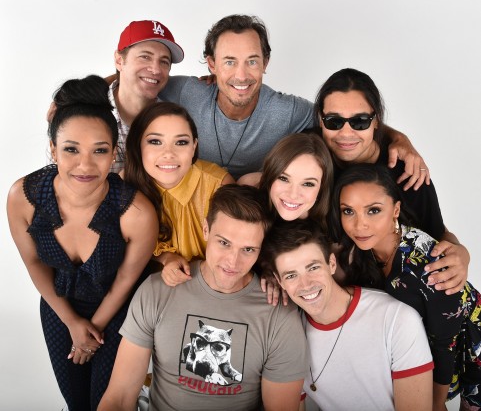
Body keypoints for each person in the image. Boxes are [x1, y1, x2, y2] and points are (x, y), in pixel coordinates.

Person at [7, 75, 159, 410]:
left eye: (100, 150)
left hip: (119, 311)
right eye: (71, 149)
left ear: (114, 152)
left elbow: (125, 281)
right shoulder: (23, 197)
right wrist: (72, 322)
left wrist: (93, 330)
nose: (85, 165)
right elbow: (34, 262)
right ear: (53, 149)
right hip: (59, 306)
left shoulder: (136, 212)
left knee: (106, 401)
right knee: (76, 401)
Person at [98, 184, 308, 411]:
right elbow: (119, 398)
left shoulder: (279, 314)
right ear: (206, 230)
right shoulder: (158, 290)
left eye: (248, 249)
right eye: (224, 243)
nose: (232, 262)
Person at [159, 14, 427, 181]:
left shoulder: (286, 110)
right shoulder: (188, 92)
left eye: (252, 61)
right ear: (212, 64)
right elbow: (142, 86)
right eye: (229, 62)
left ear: (265, 63)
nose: (241, 75)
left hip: (257, 212)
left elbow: (345, 120)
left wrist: (399, 138)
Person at [330, 163, 481, 410]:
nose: (359, 225)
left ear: (396, 209)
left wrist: (434, 404)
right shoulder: (361, 249)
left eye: (373, 210)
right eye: (348, 211)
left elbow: (445, 346)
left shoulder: (427, 265)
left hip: (470, 348)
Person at [313, 68, 469, 294]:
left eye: (359, 121)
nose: (346, 133)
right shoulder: (309, 157)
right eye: (334, 121)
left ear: (376, 120)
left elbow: (437, 233)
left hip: (398, 297)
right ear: (321, 119)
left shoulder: (407, 172)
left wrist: (462, 253)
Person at [260, 220, 433, 411]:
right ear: (279, 282)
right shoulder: (288, 336)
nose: (306, 284)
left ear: (331, 264)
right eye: (291, 276)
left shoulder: (396, 318)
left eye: (313, 268)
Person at [48, 19, 184, 173]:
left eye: (164, 62)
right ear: (119, 60)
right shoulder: (81, 111)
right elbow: (57, 177)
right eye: (145, 57)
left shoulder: (174, 117)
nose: (156, 69)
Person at [123, 101, 235, 286]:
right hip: (150, 285)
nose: (168, 154)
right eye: (155, 142)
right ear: (138, 145)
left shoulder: (218, 185)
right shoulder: (125, 184)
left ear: (194, 147)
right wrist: (166, 258)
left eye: (181, 142)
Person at [239, 132, 333, 231]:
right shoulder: (248, 186)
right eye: (284, 178)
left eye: (308, 184)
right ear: (270, 175)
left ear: (322, 187)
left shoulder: (331, 224)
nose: (293, 195)